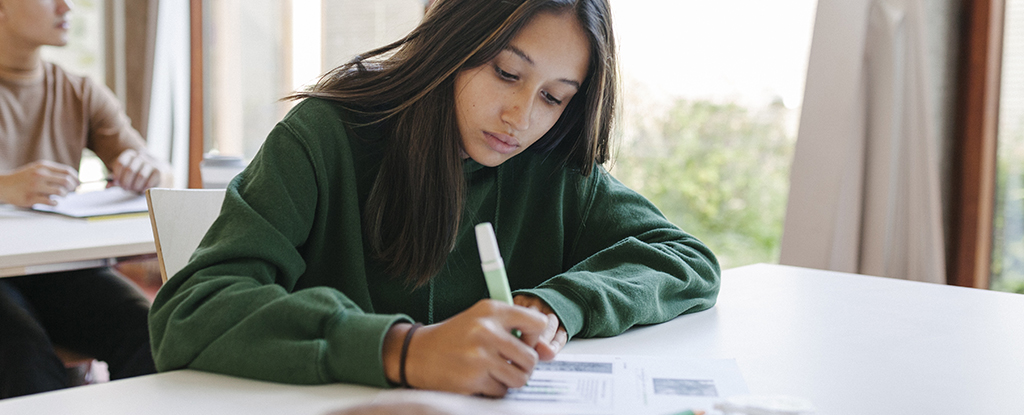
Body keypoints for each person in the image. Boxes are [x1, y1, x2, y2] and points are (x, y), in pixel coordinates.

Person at [149, 0, 720, 398]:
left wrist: (556, 308)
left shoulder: (553, 170)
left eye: (553, 97)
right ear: (454, 42)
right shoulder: (325, 138)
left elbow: (686, 259)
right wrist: (404, 351)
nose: (521, 118)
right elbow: (189, 315)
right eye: (506, 73)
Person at [0, 0, 167, 399]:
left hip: (59, 268)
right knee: (24, 357)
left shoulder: (78, 90)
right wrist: (5, 187)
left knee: (156, 334)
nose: (67, 6)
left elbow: (161, 169)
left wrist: (146, 168)